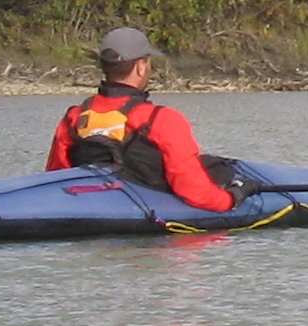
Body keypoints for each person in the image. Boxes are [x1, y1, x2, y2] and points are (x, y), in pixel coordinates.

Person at [49, 27, 240, 212]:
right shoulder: (163, 120)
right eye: (148, 63)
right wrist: (230, 200)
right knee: (221, 172)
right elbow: (194, 191)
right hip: (150, 211)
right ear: (140, 67)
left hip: (93, 206)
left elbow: (56, 178)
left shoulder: (73, 118)